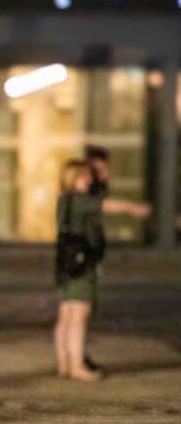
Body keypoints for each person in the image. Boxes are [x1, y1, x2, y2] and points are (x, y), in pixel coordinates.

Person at [54, 159, 149, 382]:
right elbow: (105, 205)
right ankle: (77, 366)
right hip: (81, 265)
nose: (89, 180)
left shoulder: (63, 200)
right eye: (84, 176)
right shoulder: (81, 200)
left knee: (66, 316)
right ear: (73, 177)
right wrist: (134, 208)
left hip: (64, 264)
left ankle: (64, 364)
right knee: (79, 317)